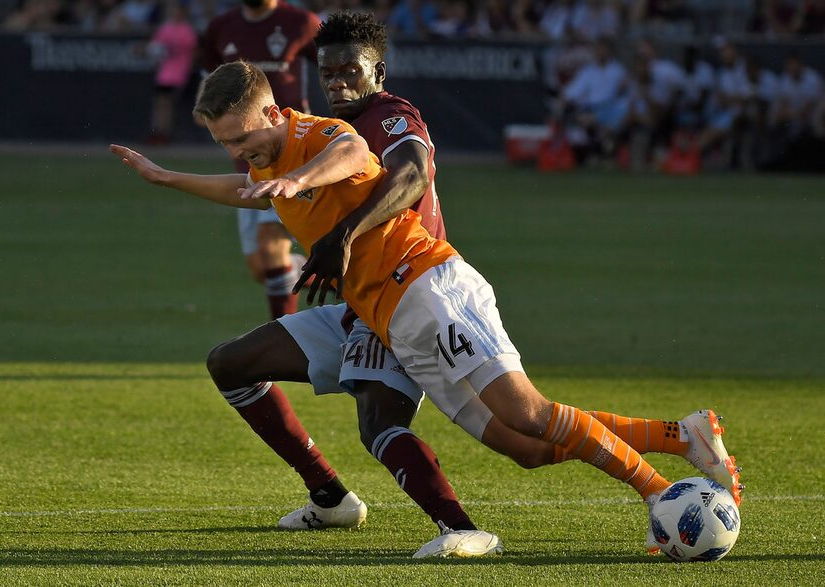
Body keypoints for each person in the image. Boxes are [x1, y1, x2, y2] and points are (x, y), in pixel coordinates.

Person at [110, 60, 743, 556]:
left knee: (527, 410)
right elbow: (245, 189)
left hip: (429, 287)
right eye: (224, 142)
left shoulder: (316, 134)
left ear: (273, 112)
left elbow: (356, 154)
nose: (236, 153)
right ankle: (678, 435)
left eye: (242, 137)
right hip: (391, 316)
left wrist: (298, 181)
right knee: (520, 444)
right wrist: (169, 179)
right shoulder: (268, 164)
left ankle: (661, 495)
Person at [199, 0, 322, 319]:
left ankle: (283, 343)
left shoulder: (301, 23)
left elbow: (333, 67)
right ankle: (335, 275)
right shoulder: (220, 28)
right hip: (247, 164)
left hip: (291, 159)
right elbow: (209, 91)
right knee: (262, 268)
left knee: (270, 251)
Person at [146, 0, 197, 144]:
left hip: (179, 75)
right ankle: (158, 132)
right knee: (161, 104)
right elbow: (155, 48)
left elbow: (192, 54)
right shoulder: (166, 28)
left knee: (167, 105)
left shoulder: (187, 31)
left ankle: (163, 133)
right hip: (164, 75)